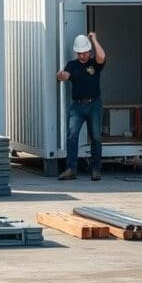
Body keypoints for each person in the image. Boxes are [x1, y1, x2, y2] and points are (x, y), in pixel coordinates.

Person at [55, 32, 107, 181]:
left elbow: (102, 56)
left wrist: (94, 40)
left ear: (89, 51)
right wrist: (61, 75)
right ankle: (71, 169)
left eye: (84, 53)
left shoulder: (94, 64)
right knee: (72, 135)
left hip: (94, 104)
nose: (82, 56)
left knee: (96, 136)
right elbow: (64, 75)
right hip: (77, 106)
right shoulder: (72, 65)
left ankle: (96, 169)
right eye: (79, 53)